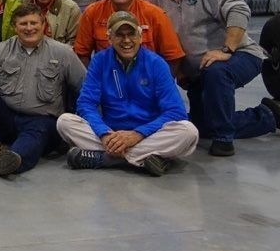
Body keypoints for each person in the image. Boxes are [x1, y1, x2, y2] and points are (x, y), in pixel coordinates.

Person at [152, 0, 280, 155]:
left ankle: (224, 140)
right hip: (198, 72)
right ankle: (266, 117)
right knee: (202, 127)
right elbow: (163, 36)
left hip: (239, 56)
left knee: (217, 71)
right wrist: (180, 69)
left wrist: (227, 50)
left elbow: (239, 9)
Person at [59, 11, 200, 176]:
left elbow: (176, 112)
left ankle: (106, 159)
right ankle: (149, 157)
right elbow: (86, 103)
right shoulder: (100, 61)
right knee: (65, 122)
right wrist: (104, 133)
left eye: (131, 34)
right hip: (111, 134)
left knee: (188, 131)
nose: (126, 41)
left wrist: (138, 134)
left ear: (140, 36)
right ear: (109, 39)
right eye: (119, 35)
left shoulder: (156, 64)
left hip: (149, 134)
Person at [0, 3, 85, 176]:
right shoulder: (0, 50)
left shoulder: (63, 53)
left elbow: (85, 89)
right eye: (23, 24)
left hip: (42, 121)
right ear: (15, 27)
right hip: (7, 118)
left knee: (38, 132)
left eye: (34, 23)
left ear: (43, 25)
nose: (29, 28)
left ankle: (11, 160)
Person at [74, 0, 185, 65]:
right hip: (108, 80)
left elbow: (173, 57)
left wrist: (160, 83)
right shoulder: (92, 12)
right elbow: (82, 53)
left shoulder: (155, 14)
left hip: (147, 80)